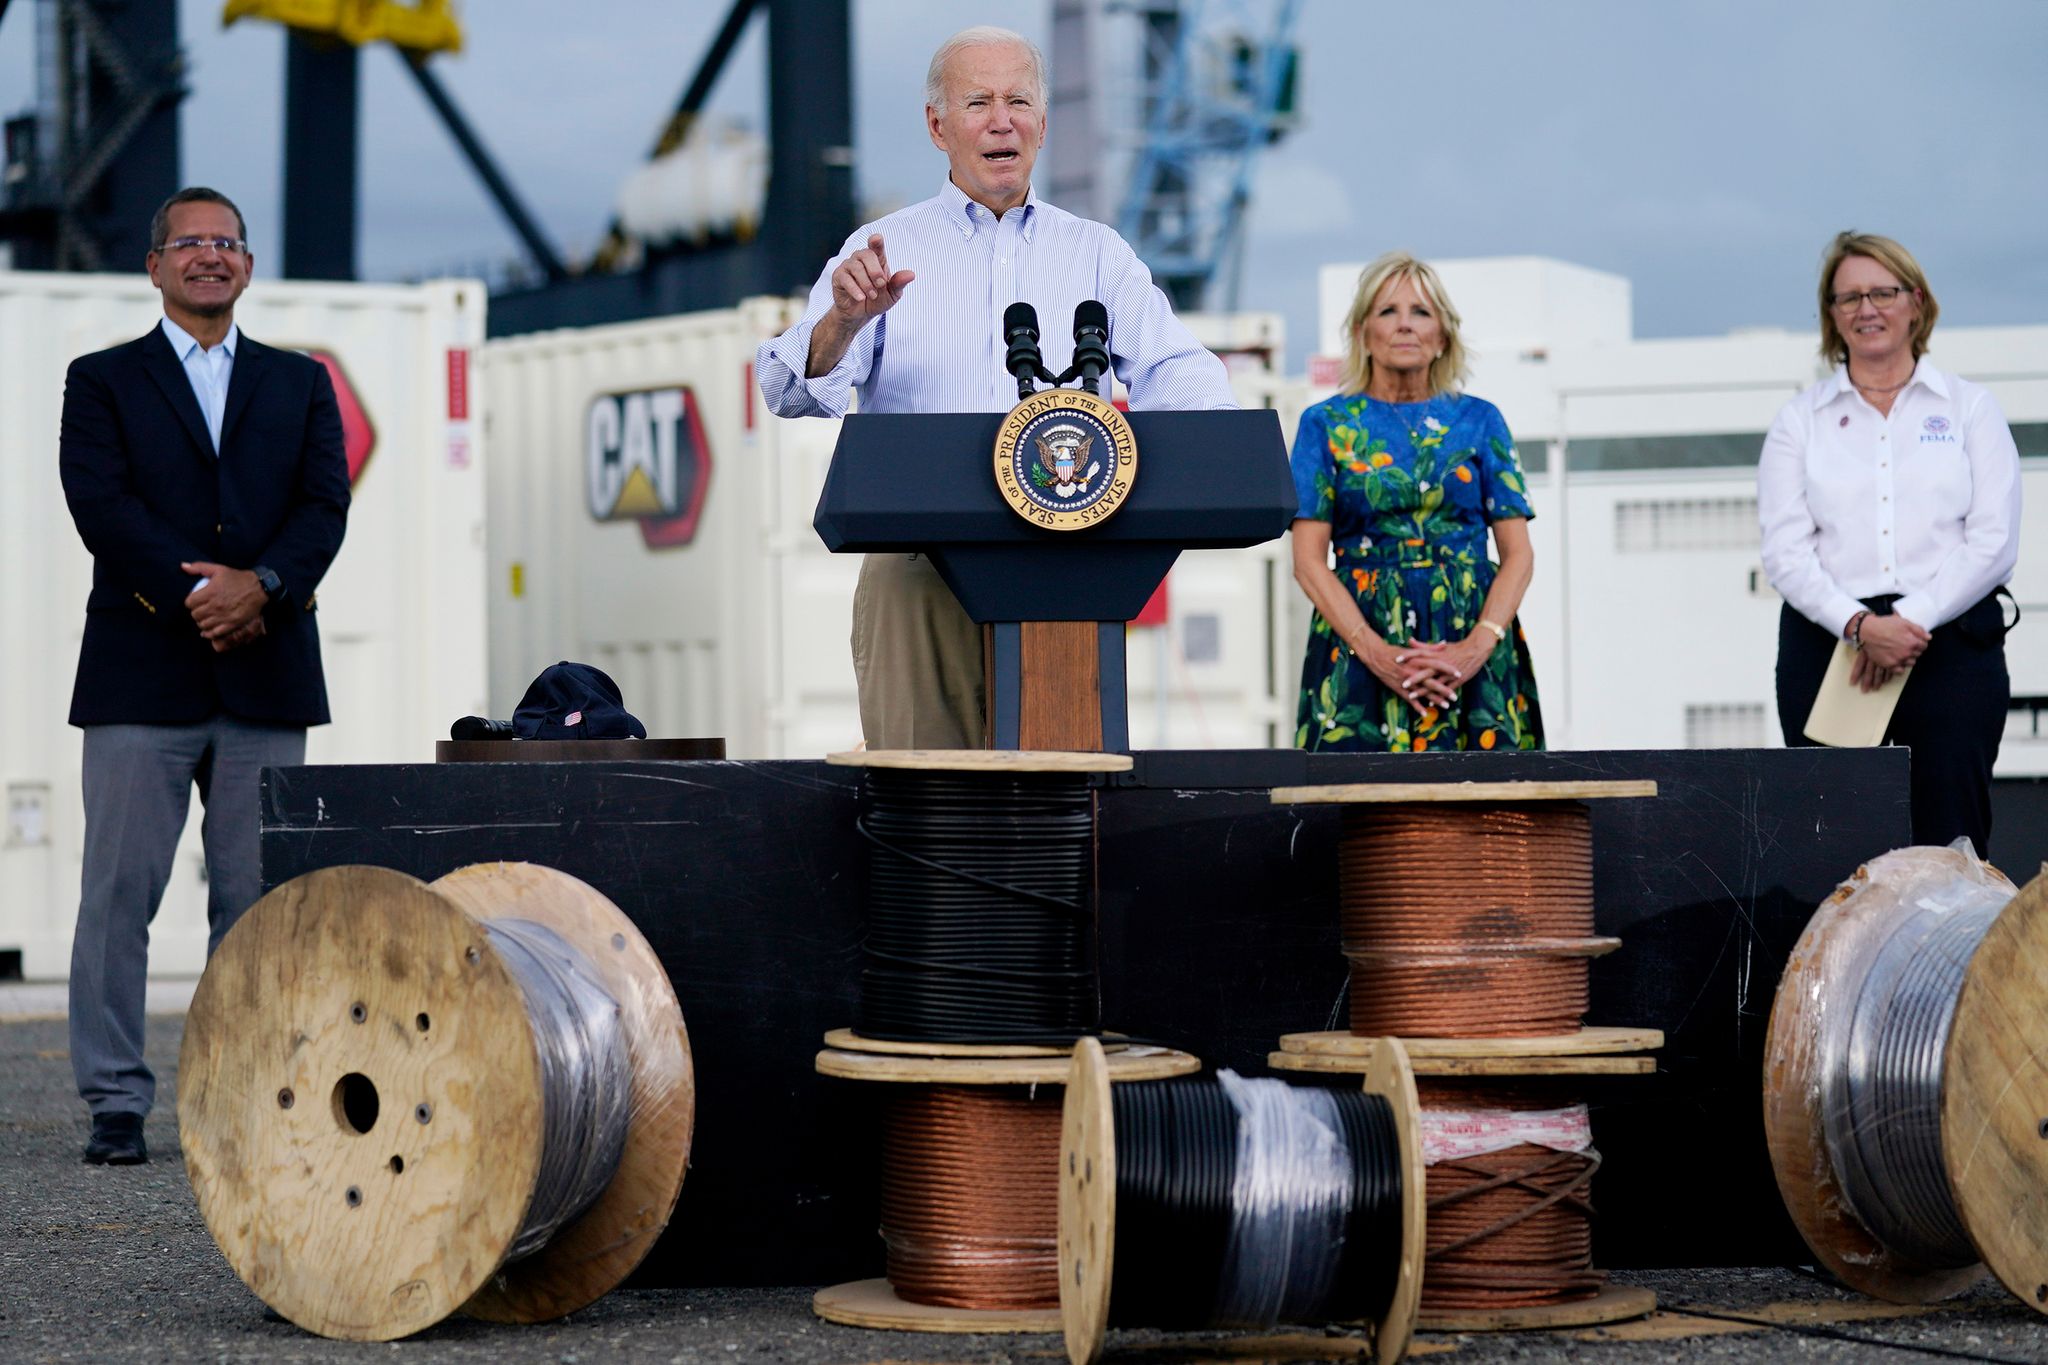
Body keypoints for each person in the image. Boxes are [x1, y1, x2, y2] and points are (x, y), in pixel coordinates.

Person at [756, 25, 1235, 749]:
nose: (1001, 119)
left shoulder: (1098, 253)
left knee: (1060, 800)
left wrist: (1218, 450)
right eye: (977, 102)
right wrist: (843, 323)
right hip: (919, 567)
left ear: (1043, 122)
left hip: (1069, 562)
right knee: (927, 802)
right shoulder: (882, 250)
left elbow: (1184, 377)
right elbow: (787, 387)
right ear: (936, 125)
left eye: (1019, 100)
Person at [59, 186, 350, 1164]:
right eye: (189, 243)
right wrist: (200, 596)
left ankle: (238, 1093)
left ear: (249, 265)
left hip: (265, 674)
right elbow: (101, 505)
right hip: (142, 672)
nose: (209, 256)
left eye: (227, 242)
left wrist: (259, 585)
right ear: (155, 266)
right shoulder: (101, 380)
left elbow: (322, 508)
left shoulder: (300, 382)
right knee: (119, 895)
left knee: (257, 903)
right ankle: (113, 1100)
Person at [1759, 231, 2020, 856]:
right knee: (1836, 845)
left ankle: (1954, 960)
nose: (1866, 308)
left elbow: (1994, 540)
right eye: (1848, 297)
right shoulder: (1801, 420)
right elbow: (1785, 551)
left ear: (1917, 301)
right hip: (1830, 649)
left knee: (1949, 839)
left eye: (1883, 291)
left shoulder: (1970, 409)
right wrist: (1858, 626)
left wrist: (1907, 622)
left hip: (1949, 644)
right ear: (1831, 315)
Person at [1288, 252, 1542, 753]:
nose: (1405, 325)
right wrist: (1376, 653)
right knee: (1355, 816)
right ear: (1362, 332)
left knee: (1492, 814)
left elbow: (1519, 554)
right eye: (1387, 312)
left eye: (1421, 312)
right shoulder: (1325, 424)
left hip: (1473, 642)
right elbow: (1307, 562)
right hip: (1358, 644)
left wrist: (1475, 648)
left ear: (1443, 334)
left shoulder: (1481, 420)